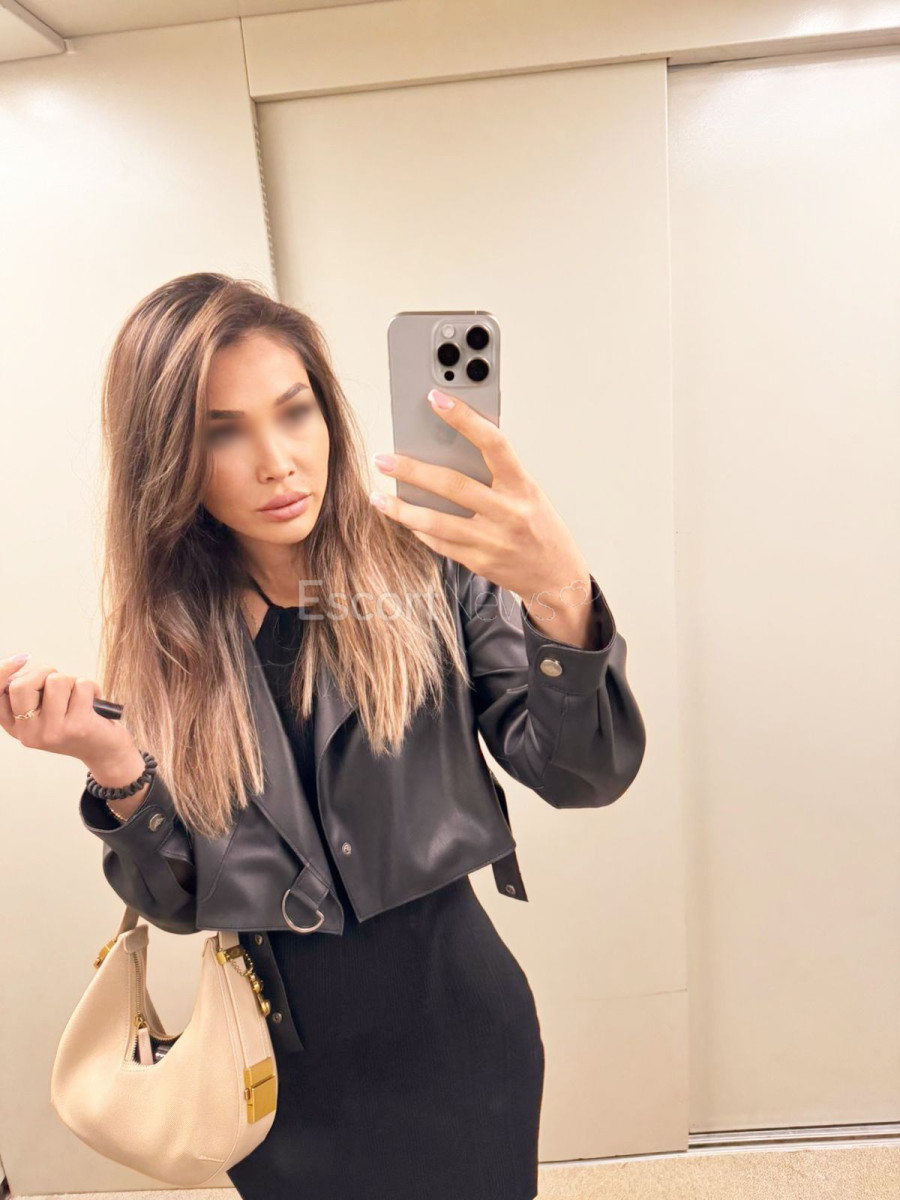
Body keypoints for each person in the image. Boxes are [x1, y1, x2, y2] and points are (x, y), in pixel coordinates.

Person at [1, 273, 646, 1200]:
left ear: (328, 415)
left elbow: (584, 774)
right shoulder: (167, 644)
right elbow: (180, 904)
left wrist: (560, 598)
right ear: (167, 458)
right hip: (276, 1075)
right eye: (222, 431)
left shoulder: (429, 571)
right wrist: (115, 770)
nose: (277, 462)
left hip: (459, 1038)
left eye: (294, 411)